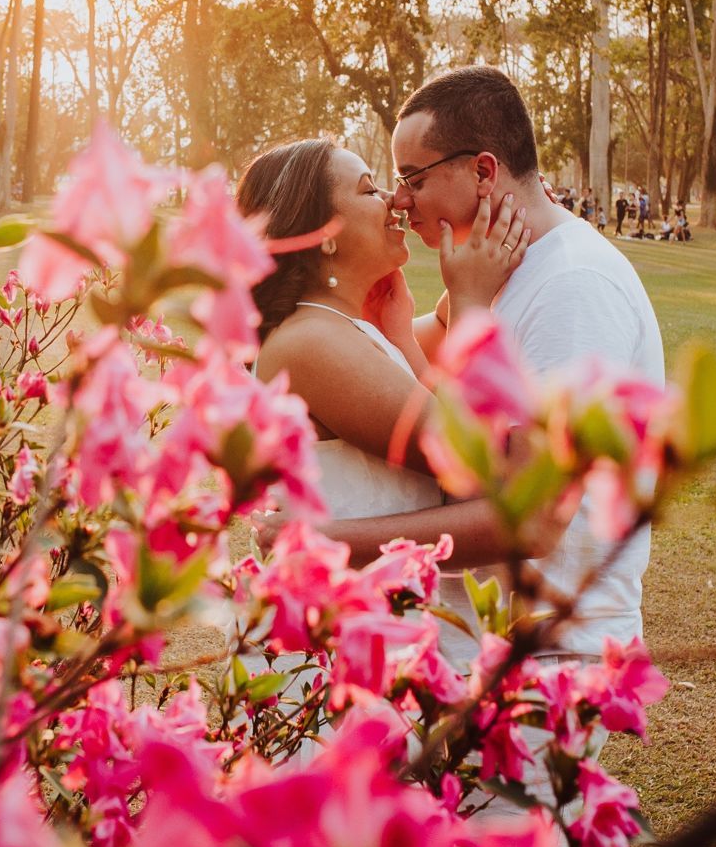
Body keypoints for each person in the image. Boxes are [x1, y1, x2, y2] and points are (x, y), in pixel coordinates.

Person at [321, 64, 664, 663]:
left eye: (414, 178)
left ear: (483, 170)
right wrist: (398, 323)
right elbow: (427, 403)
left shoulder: (573, 287)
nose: (400, 199)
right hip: (470, 646)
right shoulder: (495, 271)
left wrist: (330, 545)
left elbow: (531, 523)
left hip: (546, 662)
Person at [237, 139, 528, 673]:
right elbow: (479, 460)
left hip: (377, 638)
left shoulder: (341, 331)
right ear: (322, 236)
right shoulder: (310, 345)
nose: (396, 199)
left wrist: (402, 334)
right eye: (369, 188)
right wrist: (466, 303)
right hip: (338, 657)